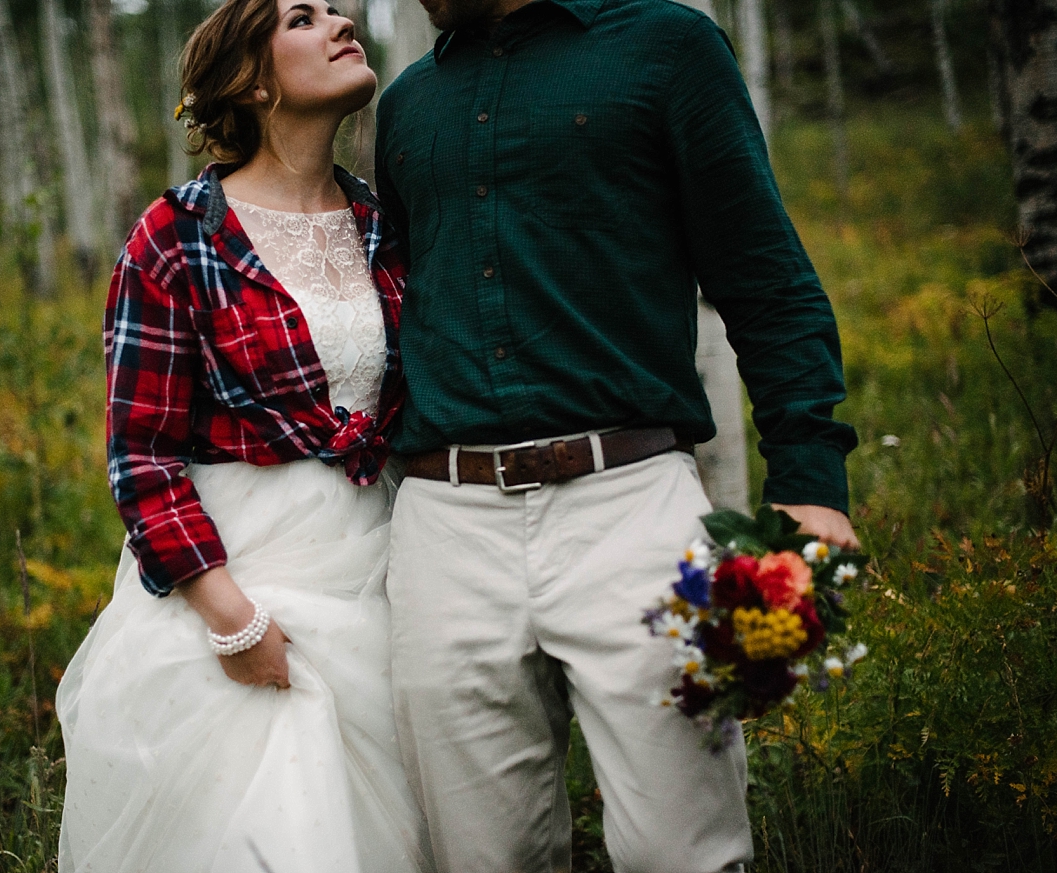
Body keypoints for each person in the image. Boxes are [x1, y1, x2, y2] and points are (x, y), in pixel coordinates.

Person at [374, 0, 860, 870]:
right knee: (479, 857)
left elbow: (768, 282)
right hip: (443, 524)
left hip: (631, 501)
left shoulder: (666, 48)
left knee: (684, 848)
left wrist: (811, 482)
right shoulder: (408, 104)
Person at [56, 1, 433, 870]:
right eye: (306, 17)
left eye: (339, 9)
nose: (342, 21)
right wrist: (231, 620)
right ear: (254, 80)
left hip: (379, 571)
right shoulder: (178, 237)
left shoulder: (386, 224)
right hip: (236, 582)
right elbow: (141, 451)